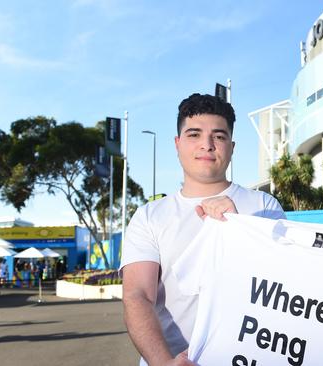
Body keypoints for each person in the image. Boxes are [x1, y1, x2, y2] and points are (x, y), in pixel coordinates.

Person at [120, 93, 285, 366]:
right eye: (194, 134)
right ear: (178, 143)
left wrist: (239, 228)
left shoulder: (264, 205)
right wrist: (164, 363)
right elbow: (138, 295)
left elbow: (281, 286)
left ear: (231, 147)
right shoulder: (149, 216)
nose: (207, 145)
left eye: (218, 137)